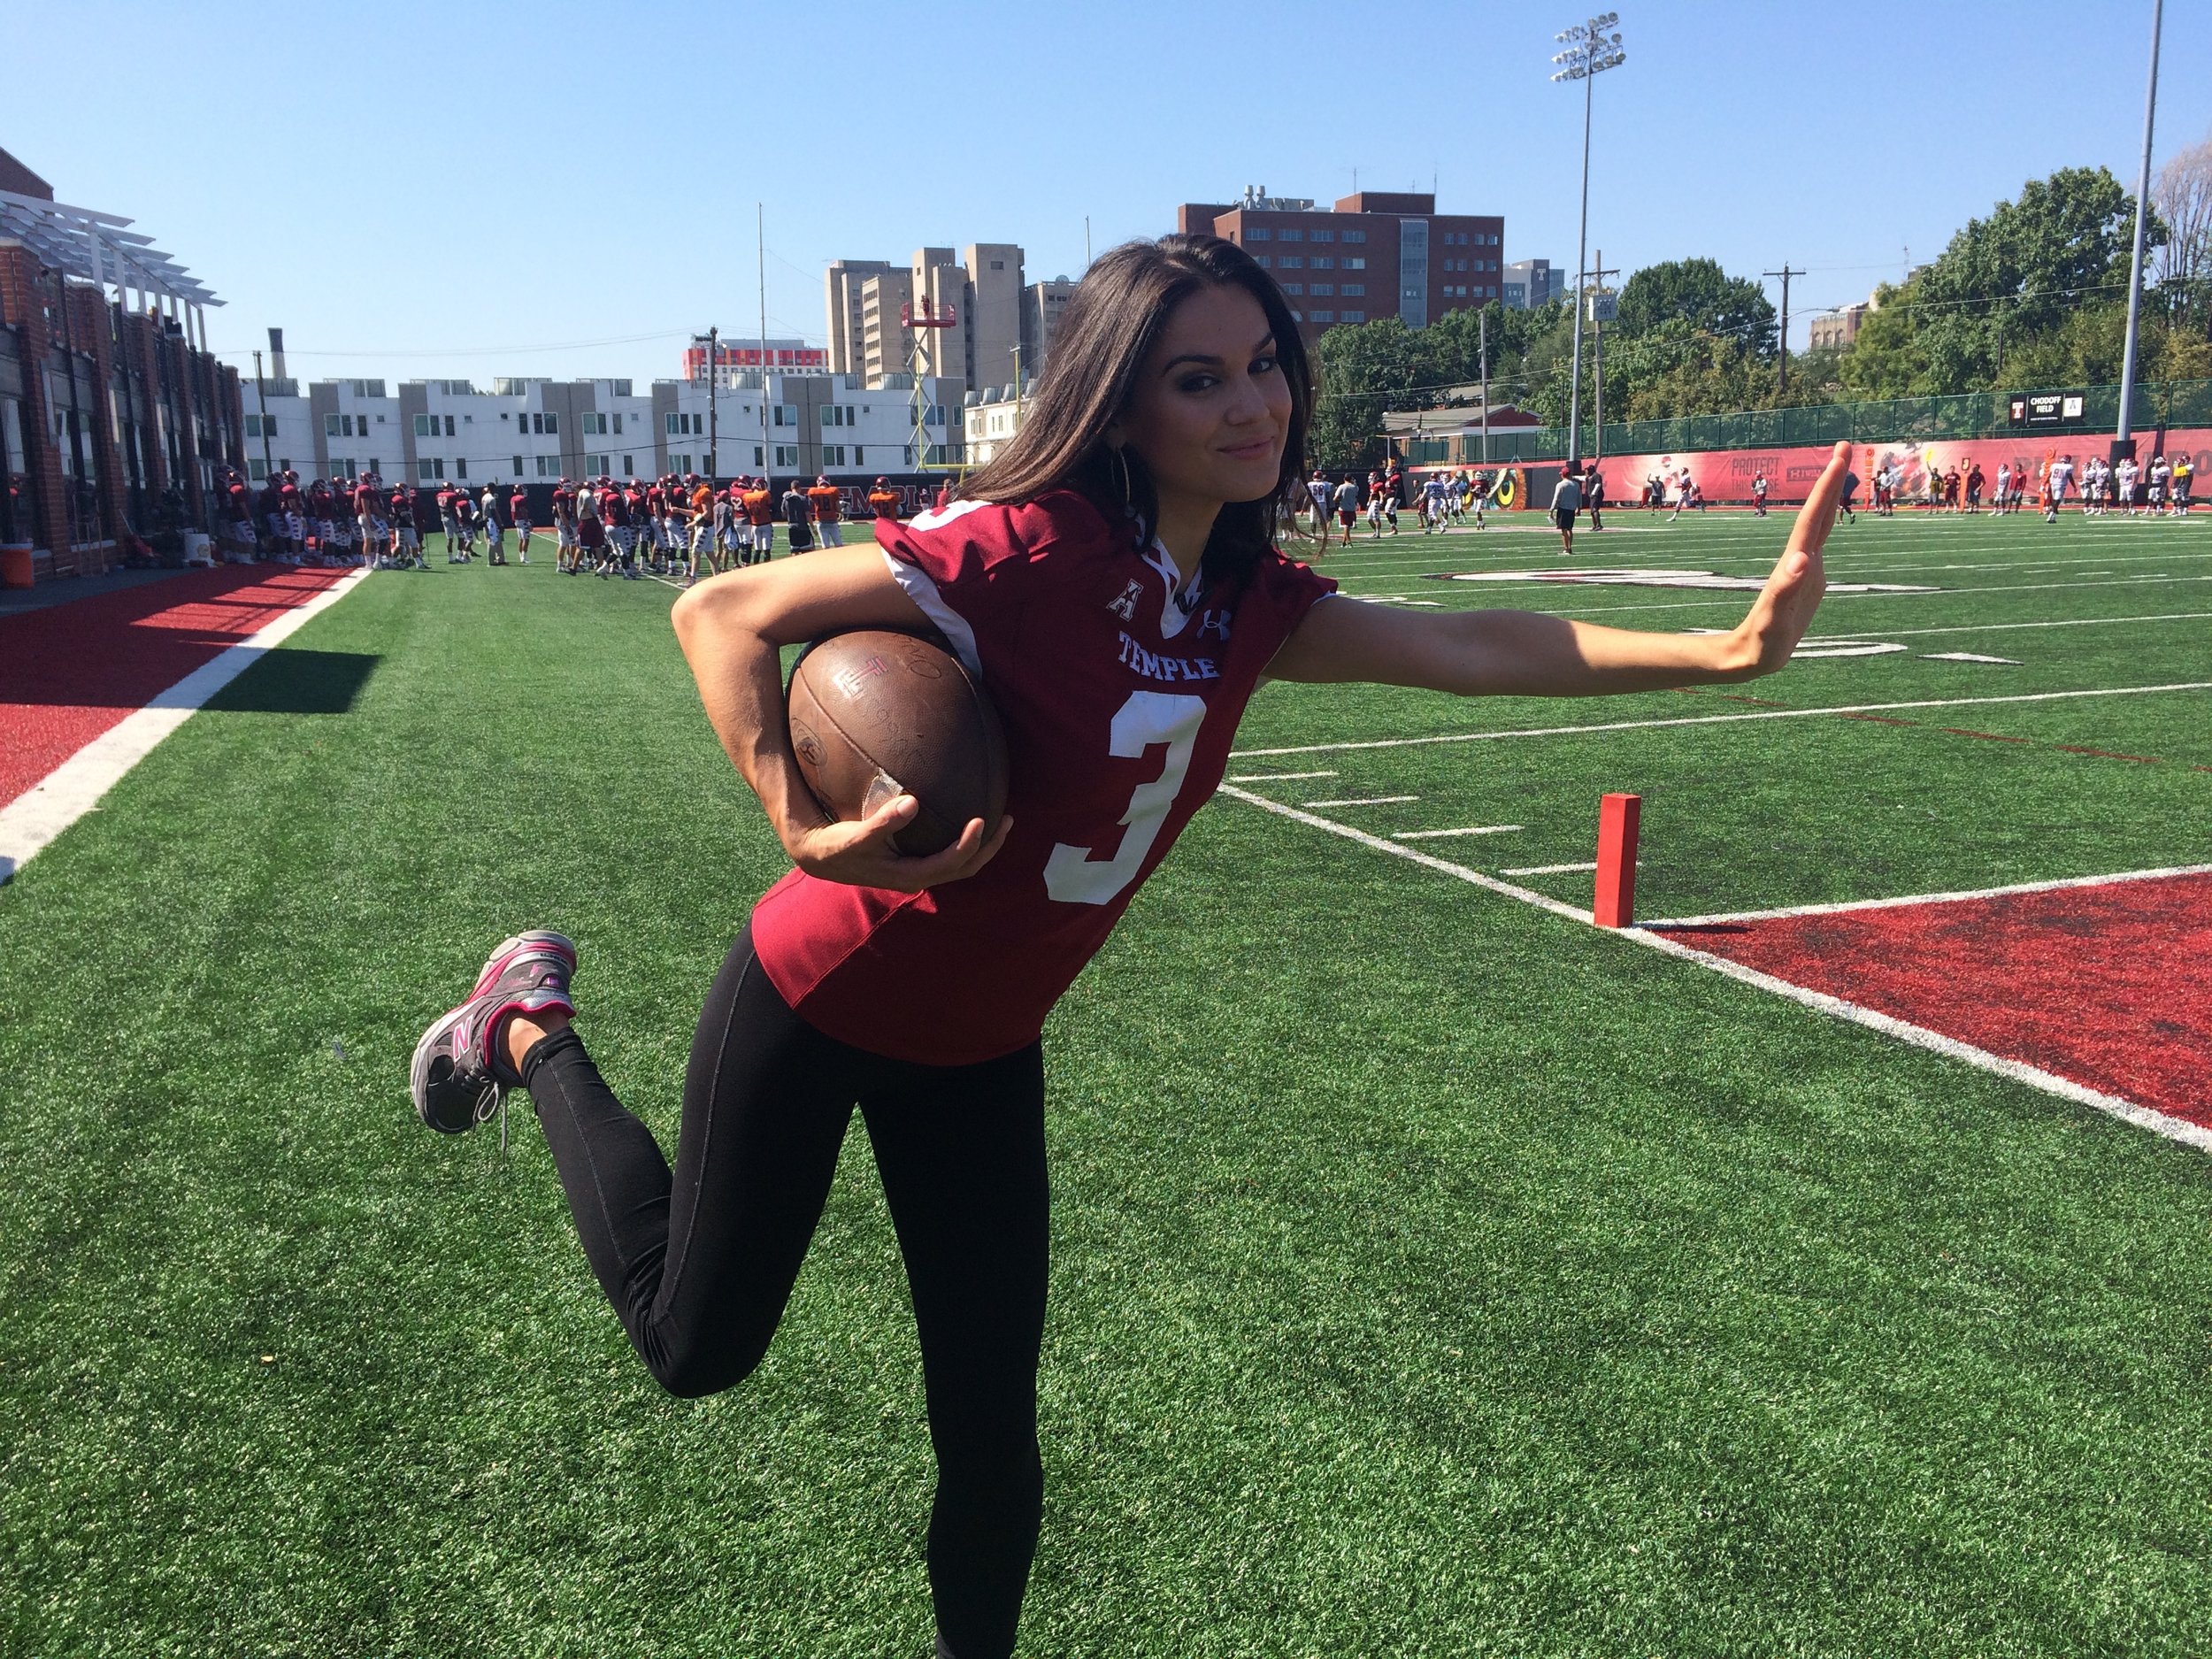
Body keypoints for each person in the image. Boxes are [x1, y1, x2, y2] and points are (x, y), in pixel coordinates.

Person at [404, 235, 1842, 1659]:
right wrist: (793, 810)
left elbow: (1469, 646)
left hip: (982, 1045)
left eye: (1265, 365)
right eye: (1200, 379)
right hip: (830, 985)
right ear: (1123, 409)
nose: (1252, 404)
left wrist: (1730, 652)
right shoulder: (1032, 552)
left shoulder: (1244, 607)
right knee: (694, 1350)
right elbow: (722, 610)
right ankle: (531, 1025)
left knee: (993, 1447)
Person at [1549, 465, 1582, 555]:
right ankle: (1570, 547)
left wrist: (1551, 510)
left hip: (1563, 509)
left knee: (1563, 530)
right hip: (1571, 509)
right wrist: (1578, 508)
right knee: (1570, 529)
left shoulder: (1560, 485)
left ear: (1563, 474)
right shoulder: (1576, 485)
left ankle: (1566, 549)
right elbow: (1579, 497)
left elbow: (1556, 498)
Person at [743, 475, 777, 562]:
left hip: (754, 525)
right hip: (766, 524)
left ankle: (755, 567)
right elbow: (773, 508)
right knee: (766, 549)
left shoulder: (746, 496)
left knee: (757, 549)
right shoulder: (765, 494)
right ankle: (766, 568)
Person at [809, 476, 845, 547]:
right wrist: (841, 512)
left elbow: (813, 502)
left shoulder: (813, 491)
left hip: (821, 522)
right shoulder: (833, 490)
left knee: (825, 547)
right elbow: (837, 508)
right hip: (832, 521)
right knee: (839, 546)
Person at [781, 478, 816, 553]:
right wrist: (813, 528)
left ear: (791, 488)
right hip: (803, 527)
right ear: (800, 488)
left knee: (795, 551)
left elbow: (783, 514)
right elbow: (808, 515)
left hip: (792, 527)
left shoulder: (785, 500)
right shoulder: (803, 499)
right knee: (807, 550)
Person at [482, 486, 508, 565]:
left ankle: (500, 559)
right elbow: (493, 512)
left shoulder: (484, 497)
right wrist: (499, 524)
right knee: (492, 541)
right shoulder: (491, 499)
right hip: (491, 521)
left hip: (486, 519)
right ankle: (491, 561)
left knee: (496, 540)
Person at [1331, 474, 1359, 546]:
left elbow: (1336, 498)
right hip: (1352, 508)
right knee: (1348, 526)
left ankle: (1349, 542)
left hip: (1343, 508)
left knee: (1345, 526)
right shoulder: (1355, 487)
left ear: (1344, 479)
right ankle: (1343, 542)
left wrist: (1337, 499)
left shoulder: (1342, 486)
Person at [510, 485, 533, 563]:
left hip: (516, 520)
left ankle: (521, 557)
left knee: (521, 539)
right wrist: (528, 522)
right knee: (526, 539)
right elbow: (523, 511)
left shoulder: (513, 498)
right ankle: (524, 558)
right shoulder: (521, 498)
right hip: (522, 520)